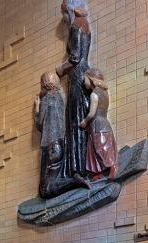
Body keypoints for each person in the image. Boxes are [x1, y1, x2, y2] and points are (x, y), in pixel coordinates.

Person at [34, 72, 89, 198]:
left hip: (50, 146)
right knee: (49, 184)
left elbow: (39, 124)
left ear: (44, 85)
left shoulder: (46, 99)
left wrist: (37, 107)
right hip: (60, 144)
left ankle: (74, 182)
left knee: (45, 190)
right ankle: (73, 181)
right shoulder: (59, 98)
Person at [56, 3, 91, 180]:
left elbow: (74, 58)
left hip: (76, 74)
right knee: (81, 114)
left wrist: (60, 69)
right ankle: (86, 165)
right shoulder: (86, 26)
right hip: (85, 71)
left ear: (68, 11)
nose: (63, 18)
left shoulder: (75, 27)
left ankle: (77, 168)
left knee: (75, 118)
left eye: (63, 13)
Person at [79, 67, 118, 180]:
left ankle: (113, 166)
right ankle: (98, 172)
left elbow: (91, 113)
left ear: (91, 79)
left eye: (85, 79)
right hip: (103, 123)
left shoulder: (94, 94)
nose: (83, 81)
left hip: (98, 125)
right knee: (93, 149)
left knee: (100, 148)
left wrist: (84, 122)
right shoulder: (105, 93)